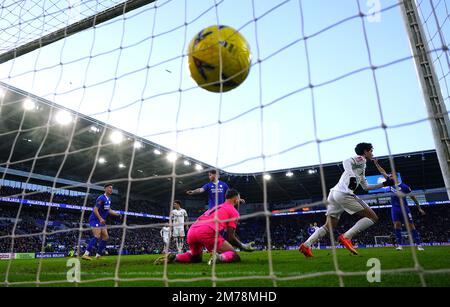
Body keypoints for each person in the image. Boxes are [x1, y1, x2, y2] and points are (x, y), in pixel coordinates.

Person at [299, 142, 395, 257]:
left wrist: (384, 184)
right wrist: (352, 176)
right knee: (373, 217)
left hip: (334, 194)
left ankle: (306, 245)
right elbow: (346, 161)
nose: (372, 153)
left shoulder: (361, 168)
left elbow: (366, 187)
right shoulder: (361, 159)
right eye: (371, 151)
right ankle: (346, 237)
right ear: (365, 151)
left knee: (328, 226)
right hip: (344, 194)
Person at [154, 189, 255, 265]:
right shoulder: (234, 212)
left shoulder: (217, 206)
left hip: (193, 231)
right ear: (236, 198)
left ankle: (175, 257)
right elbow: (230, 237)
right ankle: (219, 257)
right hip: (207, 231)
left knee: (195, 258)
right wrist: (243, 246)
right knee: (234, 256)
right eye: (238, 199)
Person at [373, 159, 426, 251]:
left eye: (391, 175)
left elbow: (413, 197)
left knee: (411, 226)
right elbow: (382, 171)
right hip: (395, 208)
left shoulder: (405, 187)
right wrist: (376, 163)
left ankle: (419, 245)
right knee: (397, 225)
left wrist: (419, 208)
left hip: (404, 208)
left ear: (396, 177)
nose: (389, 176)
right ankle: (400, 245)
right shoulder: (390, 184)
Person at [82, 184, 121, 260]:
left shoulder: (109, 199)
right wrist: (100, 218)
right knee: (97, 235)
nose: (111, 189)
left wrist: (116, 214)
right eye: (109, 188)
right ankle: (85, 254)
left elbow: (108, 210)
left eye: (112, 188)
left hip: (101, 220)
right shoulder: (101, 198)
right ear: (105, 189)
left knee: (106, 237)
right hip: (95, 219)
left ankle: (98, 255)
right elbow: (95, 209)